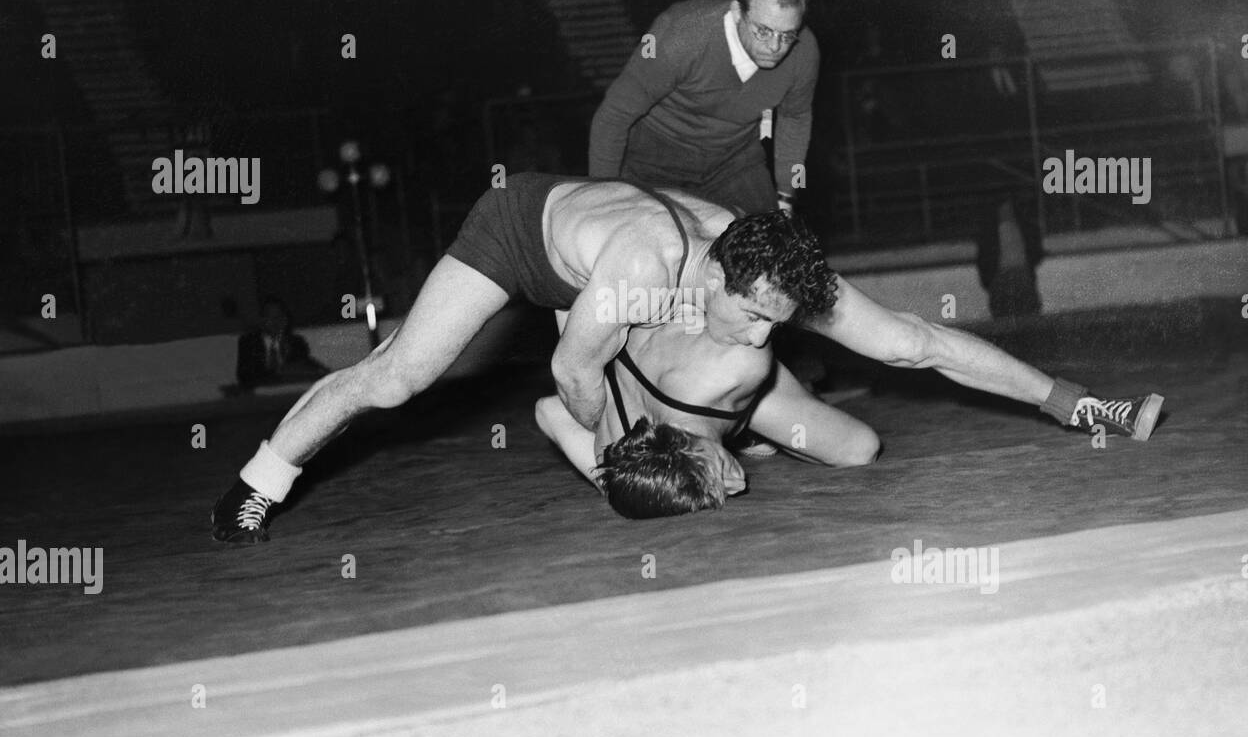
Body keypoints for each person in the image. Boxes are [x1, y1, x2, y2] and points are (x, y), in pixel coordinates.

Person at [211, 176, 1163, 543]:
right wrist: (626, 457)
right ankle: (260, 477)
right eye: (750, 320)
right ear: (711, 283)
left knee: (880, 384)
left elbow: (923, 345)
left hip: (645, 311)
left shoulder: (762, 275)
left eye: (775, 324)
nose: (762, 335)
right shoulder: (641, 273)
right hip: (526, 241)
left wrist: (1078, 403)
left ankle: (1073, 407)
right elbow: (570, 379)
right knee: (400, 377)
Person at [536, 310, 881, 518]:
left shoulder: (732, 369)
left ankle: (747, 427)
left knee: (858, 449)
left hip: (701, 354)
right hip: (628, 345)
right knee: (623, 487)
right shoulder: (612, 448)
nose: (738, 482)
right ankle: (743, 432)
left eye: (717, 470)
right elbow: (548, 411)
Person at [588, 0, 818, 218]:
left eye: (787, 34)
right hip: (653, 160)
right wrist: (603, 196)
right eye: (763, 31)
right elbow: (614, 116)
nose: (775, 47)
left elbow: (795, 118)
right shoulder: (681, 34)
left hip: (733, 161)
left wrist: (787, 194)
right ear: (737, 12)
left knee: (775, 243)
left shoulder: (804, 51)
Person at [236, 297, 327, 389]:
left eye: (279, 316)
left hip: (290, 392)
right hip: (260, 394)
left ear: (285, 319)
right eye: (270, 316)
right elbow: (244, 376)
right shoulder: (249, 342)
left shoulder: (296, 342)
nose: (275, 321)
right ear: (261, 320)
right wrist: (278, 372)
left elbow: (306, 367)